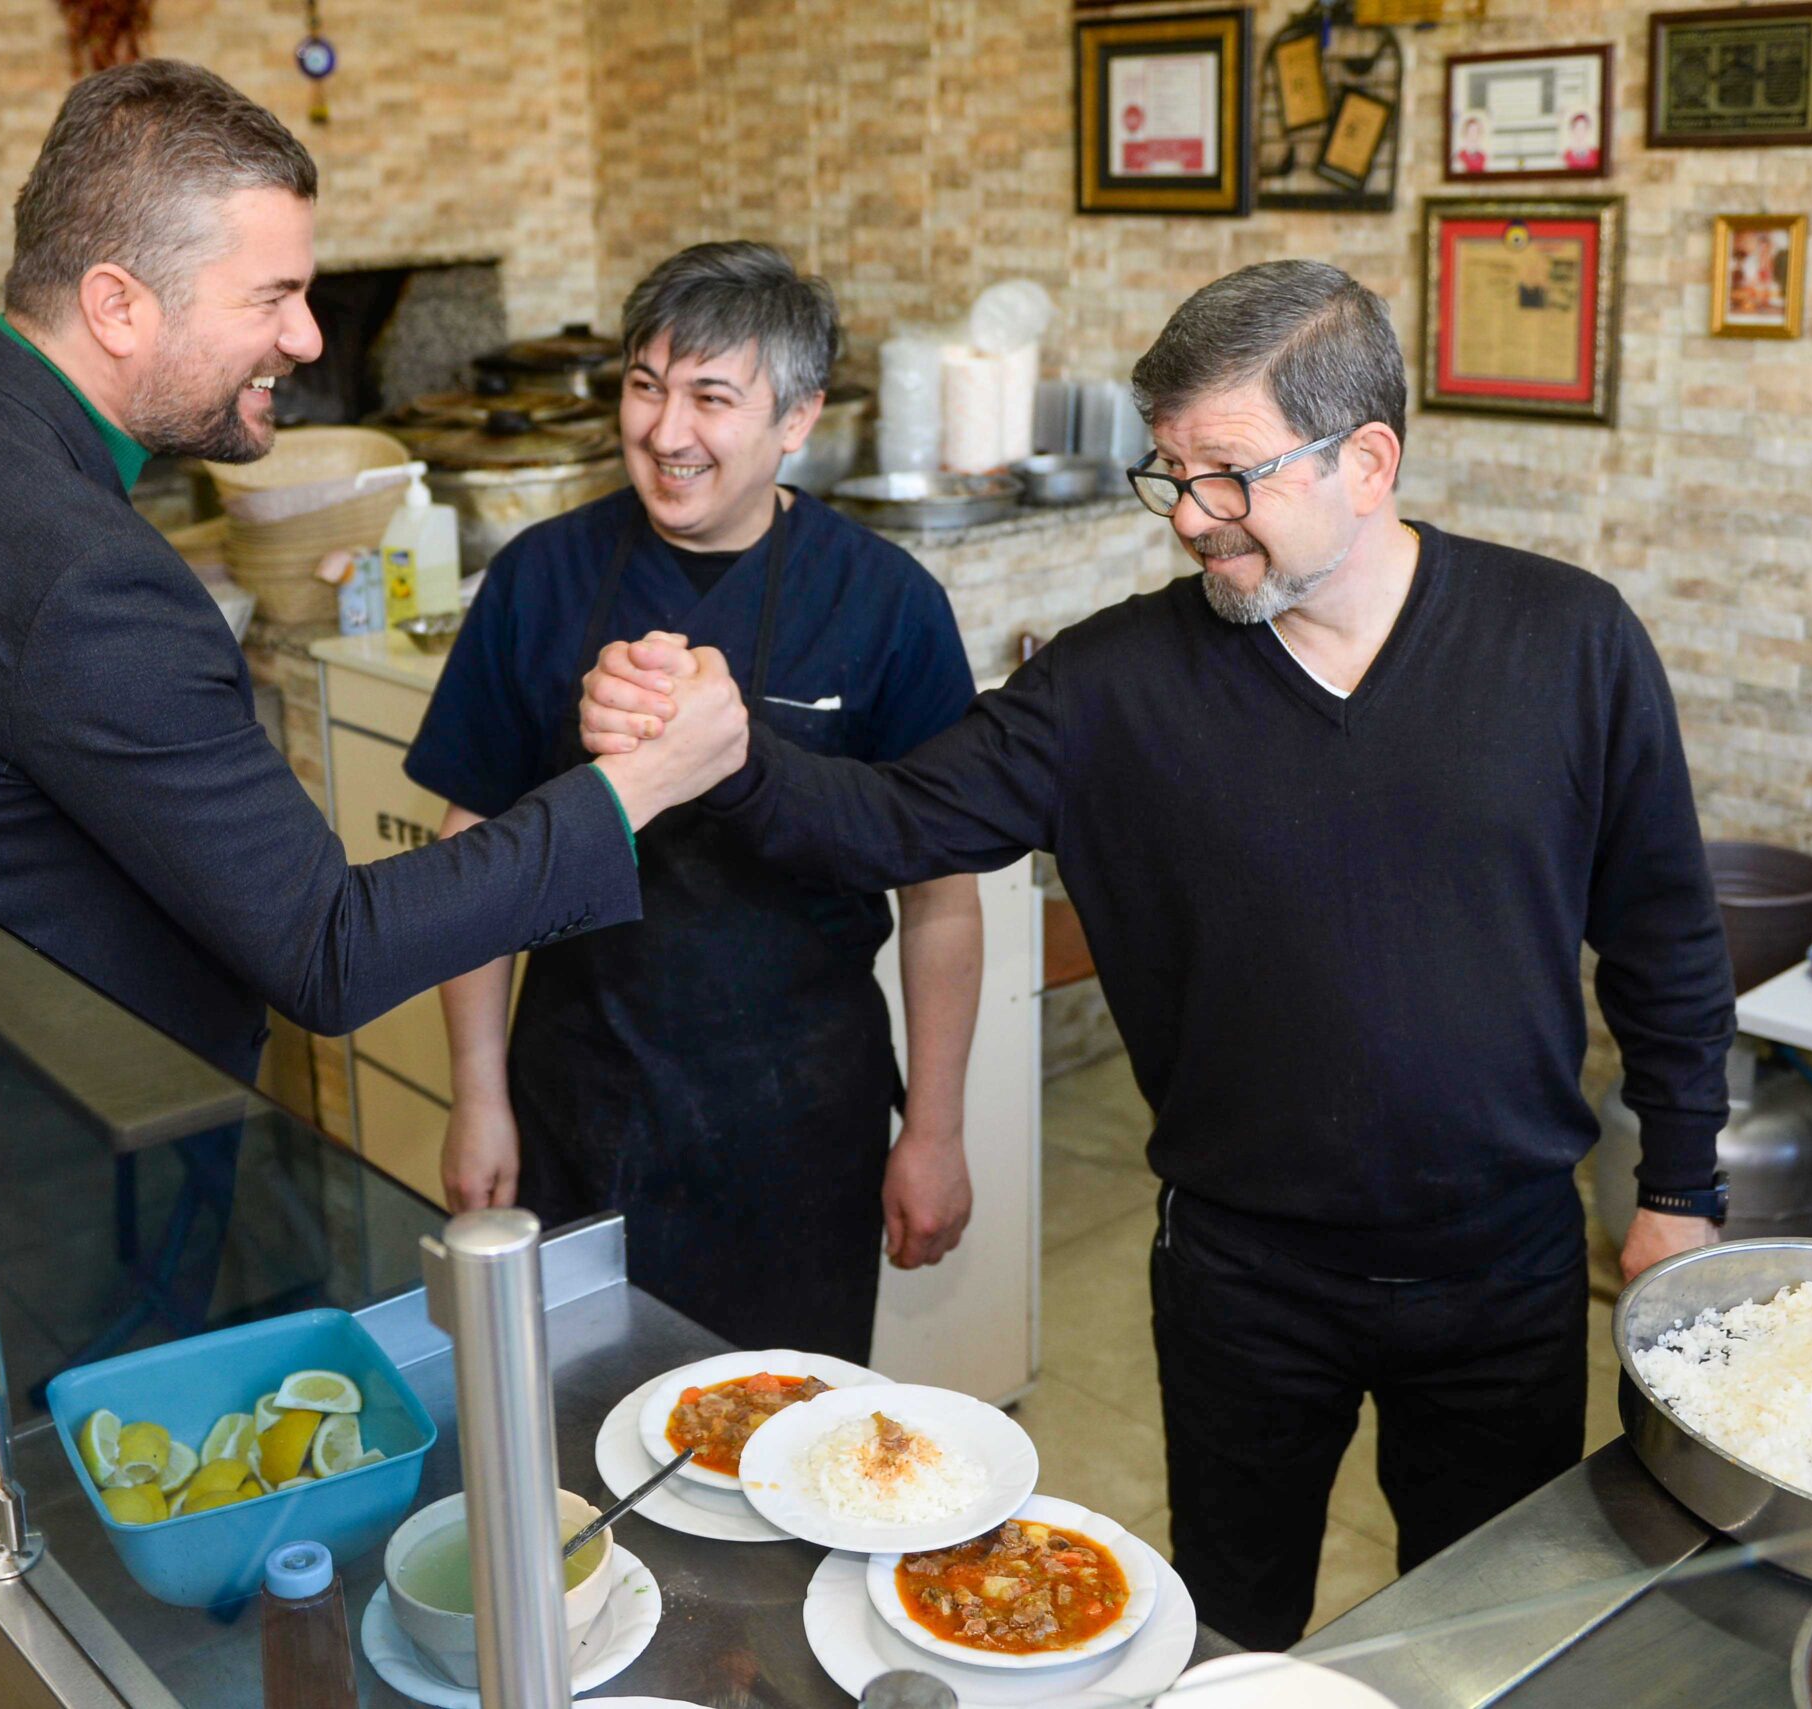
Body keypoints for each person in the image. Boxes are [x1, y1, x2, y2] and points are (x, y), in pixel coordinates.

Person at [0, 61, 745, 1709]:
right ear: (117, 300)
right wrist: (632, 790)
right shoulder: (89, 579)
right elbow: (324, 944)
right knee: (94, 1633)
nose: (305, 336)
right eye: (276, 294)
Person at [580, 260, 1735, 1649]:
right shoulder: (1108, 684)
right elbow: (898, 816)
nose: (1192, 520)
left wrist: (1678, 1182)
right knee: (1224, 1629)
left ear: (1368, 460)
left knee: (1489, 1629)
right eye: (1171, 475)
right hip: (1242, 1276)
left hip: (1505, 1266)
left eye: (1230, 477)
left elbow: (1665, 932)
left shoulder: (1567, 641)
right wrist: (735, 751)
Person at [404, 241, 983, 1364]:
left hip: (801, 1120)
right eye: (643, 385)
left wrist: (937, 1129)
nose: (667, 433)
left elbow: (942, 892)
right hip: (576, 1097)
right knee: (575, 1429)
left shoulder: (887, 603)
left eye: (711, 397)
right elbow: (467, 845)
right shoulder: (539, 577)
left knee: (782, 1447)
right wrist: (477, 1092)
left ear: (798, 418)